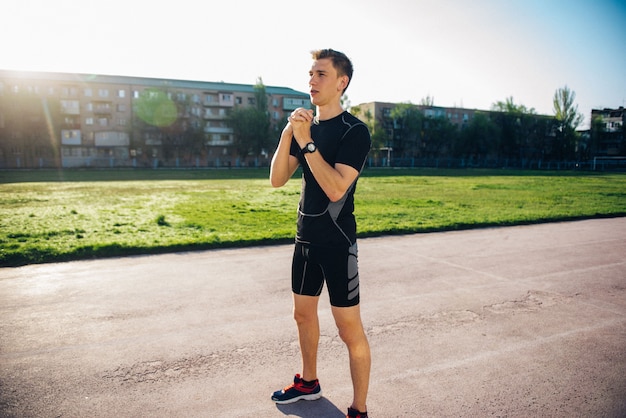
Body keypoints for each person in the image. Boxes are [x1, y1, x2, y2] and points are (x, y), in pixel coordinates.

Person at [269, 49, 372, 418]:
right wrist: (288, 135)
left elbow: (335, 189)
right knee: (302, 316)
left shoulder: (354, 131)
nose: (312, 80)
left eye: (321, 74)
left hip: (337, 245)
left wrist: (308, 142)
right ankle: (308, 383)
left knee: (348, 330)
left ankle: (359, 408)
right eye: (310, 73)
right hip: (305, 241)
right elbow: (277, 179)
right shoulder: (304, 128)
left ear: (341, 82)